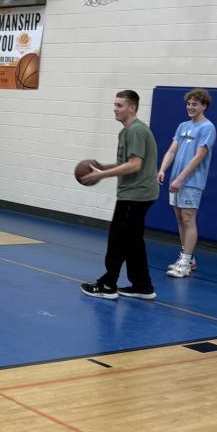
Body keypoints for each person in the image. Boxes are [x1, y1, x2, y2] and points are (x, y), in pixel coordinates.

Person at [79, 89, 159, 300]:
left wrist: (102, 174)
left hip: (135, 195)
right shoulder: (126, 131)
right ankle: (142, 286)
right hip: (137, 194)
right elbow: (127, 163)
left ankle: (107, 285)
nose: (115, 109)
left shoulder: (136, 130)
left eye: (119, 105)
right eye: (114, 105)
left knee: (118, 240)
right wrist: (104, 167)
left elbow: (135, 165)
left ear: (132, 107)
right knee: (133, 241)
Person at [157, 88, 216, 278]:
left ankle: (185, 264)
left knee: (189, 219)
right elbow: (172, 150)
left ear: (204, 106)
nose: (190, 107)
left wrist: (181, 178)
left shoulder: (207, 128)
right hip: (175, 180)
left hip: (191, 182)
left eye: (195, 104)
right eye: (188, 104)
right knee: (180, 219)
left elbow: (199, 156)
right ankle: (187, 257)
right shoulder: (183, 126)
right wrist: (162, 169)